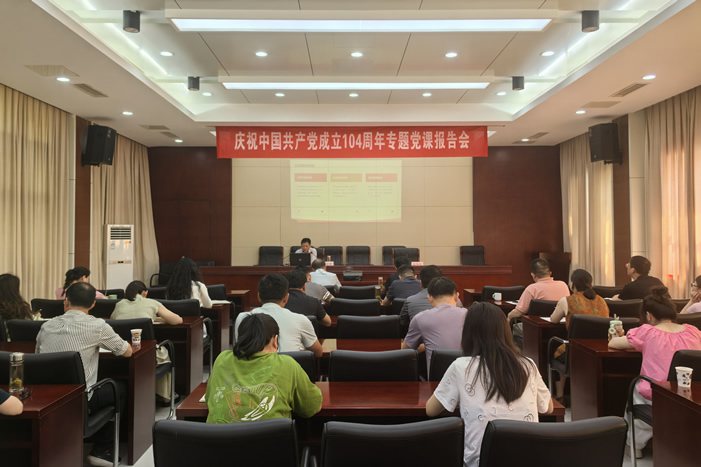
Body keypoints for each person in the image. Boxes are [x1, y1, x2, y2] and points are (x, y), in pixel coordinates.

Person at [426, 302, 553, 467]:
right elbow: (547, 408)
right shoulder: (528, 364)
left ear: (468, 333)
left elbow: (431, 410)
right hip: (528, 460)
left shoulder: (461, 366)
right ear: (505, 332)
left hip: (481, 462)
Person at [36, 282, 132, 466]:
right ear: (93, 304)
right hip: (80, 400)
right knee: (119, 388)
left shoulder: (46, 326)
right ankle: (103, 450)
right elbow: (126, 352)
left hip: (47, 398)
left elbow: (38, 357)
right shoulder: (97, 326)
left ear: (66, 301)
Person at [609, 286, 701, 457]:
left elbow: (613, 344)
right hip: (690, 396)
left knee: (638, 387)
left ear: (649, 315)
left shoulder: (648, 332)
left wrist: (618, 335)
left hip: (657, 395)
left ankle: (634, 446)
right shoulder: (693, 331)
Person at [206, 313, 322, 423]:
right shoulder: (287, 364)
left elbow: (209, 399)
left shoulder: (222, 359)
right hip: (271, 437)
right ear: (275, 340)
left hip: (218, 438)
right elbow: (311, 407)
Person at [112, 280, 182, 402]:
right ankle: (165, 397)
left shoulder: (119, 304)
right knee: (164, 352)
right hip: (146, 353)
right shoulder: (151, 302)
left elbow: (113, 319)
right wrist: (157, 318)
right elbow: (177, 320)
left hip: (122, 352)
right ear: (145, 293)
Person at [549, 269, 609, 400]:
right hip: (600, 350)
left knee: (555, 350)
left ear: (572, 285)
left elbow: (553, 319)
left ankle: (560, 396)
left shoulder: (568, 301)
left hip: (575, 351)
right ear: (591, 285)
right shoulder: (602, 301)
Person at [235, 274, 323, 357]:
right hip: (288, 367)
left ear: (259, 297)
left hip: (253, 367)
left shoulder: (242, 318)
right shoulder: (301, 319)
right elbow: (318, 353)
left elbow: (239, 350)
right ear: (286, 298)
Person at [402, 277, 467, 374]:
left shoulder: (420, 318)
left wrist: (425, 345)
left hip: (436, 381)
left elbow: (405, 350)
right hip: (468, 378)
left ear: (430, 298)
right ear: (457, 297)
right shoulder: (470, 315)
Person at [509, 259, 571, 349]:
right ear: (550, 273)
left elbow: (518, 313)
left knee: (512, 325)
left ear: (533, 275)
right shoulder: (563, 285)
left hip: (536, 332)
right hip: (561, 331)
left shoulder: (532, 289)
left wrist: (508, 317)